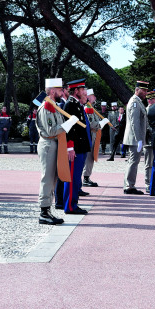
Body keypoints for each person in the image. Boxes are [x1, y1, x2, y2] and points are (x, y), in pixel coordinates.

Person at [37, 78, 76, 225]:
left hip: (55, 144)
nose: (63, 92)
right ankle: (44, 211)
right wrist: (68, 124)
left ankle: (48, 209)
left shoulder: (53, 105)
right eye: (60, 90)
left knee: (53, 178)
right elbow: (51, 130)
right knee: (47, 178)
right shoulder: (47, 106)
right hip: (48, 144)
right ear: (52, 91)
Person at [63, 78, 93, 215]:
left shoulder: (77, 104)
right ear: (76, 91)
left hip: (80, 147)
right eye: (82, 90)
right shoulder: (70, 105)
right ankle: (70, 206)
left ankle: (73, 203)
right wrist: (70, 147)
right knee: (73, 178)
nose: (84, 92)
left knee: (76, 178)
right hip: (75, 148)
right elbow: (69, 129)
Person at [122, 81, 149, 195]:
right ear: (137, 90)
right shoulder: (134, 102)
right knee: (133, 161)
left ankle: (129, 184)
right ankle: (129, 186)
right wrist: (139, 139)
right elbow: (135, 122)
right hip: (134, 138)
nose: (146, 93)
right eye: (144, 91)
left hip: (135, 138)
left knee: (133, 161)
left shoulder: (138, 102)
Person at [82, 88, 108, 189]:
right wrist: (101, 123)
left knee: (91, 157)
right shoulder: (88, 108)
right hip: (91, 135)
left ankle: (87, 176)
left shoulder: (91, 107)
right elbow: (92, 124)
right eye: (93, 95)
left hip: (94, 135)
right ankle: (86, 177)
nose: (95, 97)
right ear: (88, 97)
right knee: (89, 157)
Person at [144, 91, 155, 191]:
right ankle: (148, 183)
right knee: (149, 163)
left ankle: (154, 181)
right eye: (149, 99)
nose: (150, 100)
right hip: (148, 140)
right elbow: (146, 126)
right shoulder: (146, 110)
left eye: (152, 99)